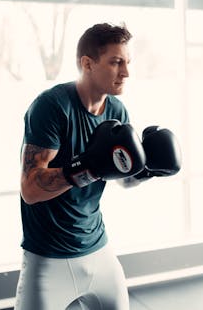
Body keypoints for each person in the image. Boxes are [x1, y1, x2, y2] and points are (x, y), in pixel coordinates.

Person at [14, 22, 181, 310]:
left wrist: (146, 170)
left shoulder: (116, 111)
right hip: (47, 259)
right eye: (116, 62)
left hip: (98, 249)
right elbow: (30, 189)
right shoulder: (51, 107)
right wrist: (88, 167)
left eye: (127, 63)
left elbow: (123, 177)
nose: (126, 72)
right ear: (87, 64)